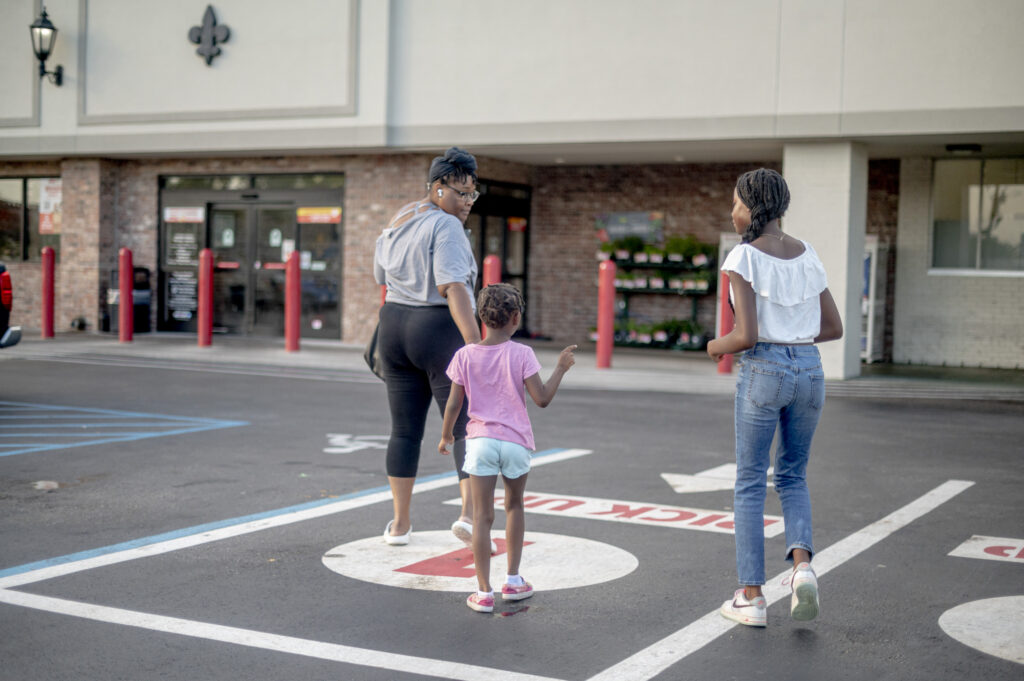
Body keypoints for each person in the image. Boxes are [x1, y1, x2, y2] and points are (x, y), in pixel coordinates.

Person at [707, 168, 843, 628]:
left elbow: (744, 336)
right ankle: (803, 568)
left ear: (754, 206)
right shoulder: (809, 254)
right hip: (809, 369)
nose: (733, 212)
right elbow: (834, 327)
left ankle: (752, 597)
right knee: (791, 475)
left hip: (764, 371)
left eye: (737, 204)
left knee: (749, 481)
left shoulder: (743, 258)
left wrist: (713, 345)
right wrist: (795, 335)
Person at [437, 283, 577, 613]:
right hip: (515, 442)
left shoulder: (464, 356)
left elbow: (454, 402)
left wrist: (446, 436)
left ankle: (483, 591)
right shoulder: (522, 354)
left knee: (482, 517)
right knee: (514, 507)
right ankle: (513, 581)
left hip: (480, 442)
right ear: (515, 318)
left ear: (481, 318)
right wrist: (561, 367)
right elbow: (541, 399)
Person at [373, 146, 484, 548]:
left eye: (473, 193)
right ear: (437, 187)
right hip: (437, 328)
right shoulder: (446, 226)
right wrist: (476, 345)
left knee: (404, 430)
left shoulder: (401, 216)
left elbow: (378, 273)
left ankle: (400, 525)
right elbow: (452, 286)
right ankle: (469, 517)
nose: (467, 202)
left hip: (394, 325)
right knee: (465, 424)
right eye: (460, 193)